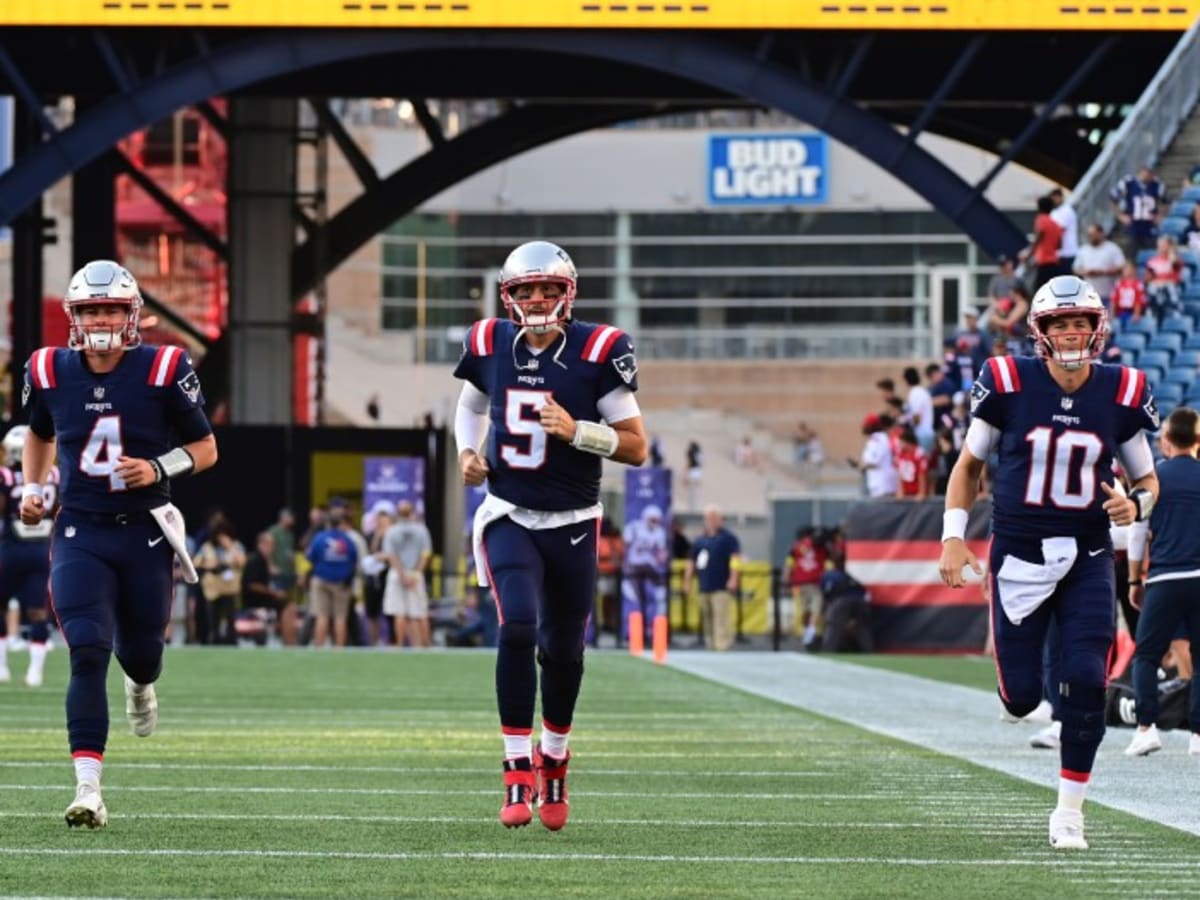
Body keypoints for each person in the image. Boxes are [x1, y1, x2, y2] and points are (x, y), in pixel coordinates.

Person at [939, 274, 1159, 850]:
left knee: (1087, 678)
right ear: (1040, 332)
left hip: (1087, 550)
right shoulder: (1007, 380)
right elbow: (967, 467)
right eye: (1060, 324)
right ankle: (1025, 699)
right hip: (1018, 552)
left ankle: (1069, 811)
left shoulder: (1122, 390)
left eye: (1080, 323)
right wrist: (953, 536)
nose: (1070, 333)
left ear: (1097, 329)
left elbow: (1148, 481)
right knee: (1021, 697)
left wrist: (1131, 505)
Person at [453, 240, 648, 831]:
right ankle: (515, 765)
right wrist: (466, 449)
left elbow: (638, 448)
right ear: (508, 296)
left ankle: (554, 758)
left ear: (568, 293)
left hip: (573, 520)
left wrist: (577, 431)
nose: (536, 300)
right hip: (508, 512)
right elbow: (469, 405)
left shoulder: (599, 348)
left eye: (547, 289)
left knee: (563, 650)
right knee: (516, 624)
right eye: (525, 290)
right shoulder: (487, 341)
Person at [19, 260, 218, 829]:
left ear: (132, 316)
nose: (101, 319)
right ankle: (88, 788)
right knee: (86, 651)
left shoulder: (163, 366)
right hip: (82, 529)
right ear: (73, 317)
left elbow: (205, 448)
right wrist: (35, 487)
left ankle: (141, 682)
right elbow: (38, 430)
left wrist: (158, 466)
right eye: (90, 310)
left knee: (143, 656)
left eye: (110, 309)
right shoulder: (50, 369)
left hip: (147, 531)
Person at [1124, 407, 1200, 758]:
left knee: (1146, 655)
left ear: (1166, 441)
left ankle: (1146, 728)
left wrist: (1133, 578)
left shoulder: (1154, 477)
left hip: (1165, 576)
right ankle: (1198, 736)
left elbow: (1138, 533)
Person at [0, 425, 60, 686]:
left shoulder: (6, 477)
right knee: (38, 610)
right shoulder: (55, 475)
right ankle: (35, 672)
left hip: (10, 550)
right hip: (41, 549)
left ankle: (2, 667)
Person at [684, 504, 741, 652]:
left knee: (721, 616)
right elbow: (691, 562)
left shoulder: (728, 538)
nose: (712, 521)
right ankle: (711, 645)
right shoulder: (700, 540)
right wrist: (687, 581)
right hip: (705, 584)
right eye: (709, 518)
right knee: (707, 617)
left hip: (721, 584)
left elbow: (735, 559)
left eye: (715, 518)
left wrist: (733, 578)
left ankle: (723, 646)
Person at [303, 498, 358, 648]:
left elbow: (310, 558)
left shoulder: (319, 538)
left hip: (321, 580)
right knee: (340, 618)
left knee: (322, 616)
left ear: (327, 524)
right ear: (340, 524)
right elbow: (354, 560)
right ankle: (339, 648)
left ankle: (319, 648)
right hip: (341, 582)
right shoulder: (347, 539)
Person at [381, 500, 433, 648]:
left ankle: (400, 644)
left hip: (398, 574)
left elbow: (391, 555)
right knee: (420, 612)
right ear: (412, 513)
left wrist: (402, 574)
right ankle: (424, 645)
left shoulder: (392, 531)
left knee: (399, 613)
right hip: (415, 574)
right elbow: (425, 554)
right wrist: (416, 574)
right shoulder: (421, 530)